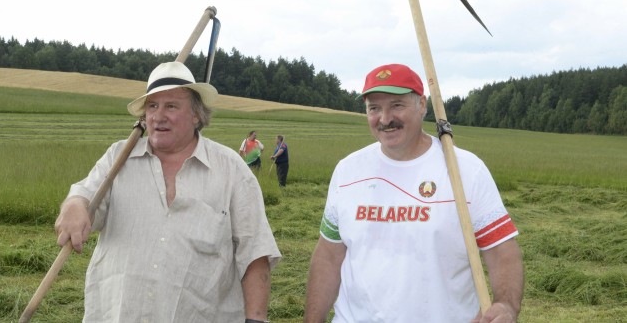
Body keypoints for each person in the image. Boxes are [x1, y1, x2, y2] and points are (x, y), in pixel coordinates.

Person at [54, 61, 281, 323]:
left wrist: (255, 320)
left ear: (196, 114)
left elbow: (255, 254)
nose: (158, 116)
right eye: (152, 106)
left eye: (171, 106)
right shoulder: (118, 159)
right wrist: (74, 206)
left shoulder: (231, 170)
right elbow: (85, 194)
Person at [304, 64, 523, 322]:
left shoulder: (465, 170)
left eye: (397, 105)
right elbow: (328, 257)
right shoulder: (348, 171)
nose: (385, 119)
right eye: (374, 108)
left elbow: (502, 252)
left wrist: (506, 305)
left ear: (422, 104)